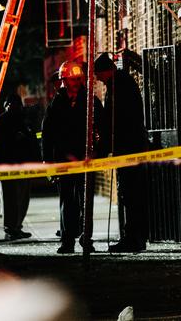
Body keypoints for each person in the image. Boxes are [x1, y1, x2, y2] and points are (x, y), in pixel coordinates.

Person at [42, 60, 102, 254]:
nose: (76, 83)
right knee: (67, 201)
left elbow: (101, 126)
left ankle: (86, 239)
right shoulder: (56, 104)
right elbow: (48, 134)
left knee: (86, 202)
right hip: (64, 161)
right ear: (63, 80)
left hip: (86, 160)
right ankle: (67, 241)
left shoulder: (90, 101)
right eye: (72, 80)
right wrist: (48, 161)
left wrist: (98, 152)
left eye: (78, 79)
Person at [93, 52, 149, 253]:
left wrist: (104, 145)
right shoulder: (120, 83)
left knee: (130, 193)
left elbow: (115, 120)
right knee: (130, 193)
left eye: (98, 74)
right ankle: (134, 236)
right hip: (128, 146)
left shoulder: (119, 85)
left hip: (128, 148)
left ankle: (133, 237)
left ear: (106, 71)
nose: (98, 79)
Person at [0, 92, 39, 240]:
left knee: (22, 199)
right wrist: (16, 139)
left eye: (17, 105)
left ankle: (16, 227)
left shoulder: (22, 121)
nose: (15, 107)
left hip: (22, 164)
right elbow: (0, 145)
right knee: (9, 199)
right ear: (6, 106)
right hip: (6, 166)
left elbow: (31, 140)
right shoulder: (0, 122)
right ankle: (10, 228)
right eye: (12, 105)